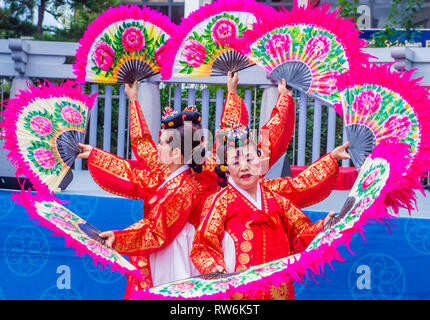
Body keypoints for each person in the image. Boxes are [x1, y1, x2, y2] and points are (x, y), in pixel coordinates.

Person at [76, 73, 297, 298]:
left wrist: (278, 99)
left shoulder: (195, 179)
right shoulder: (166, 169)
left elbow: (248, 141)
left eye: (161, 141)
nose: (157, 145)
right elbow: (141, 149)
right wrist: (130, 105)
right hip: (168, 249)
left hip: (181, 251)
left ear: (176, 151)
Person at [190, 125, 350, 300]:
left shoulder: (276, 197)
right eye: (235, 162)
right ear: (226, 167)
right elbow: (203, 246)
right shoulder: (219, 202)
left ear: (260, 159)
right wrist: (213, 268)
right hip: (240, 289)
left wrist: (323, 226)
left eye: (249, 159)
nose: (244, 167)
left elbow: (300, 236)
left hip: (278, 287)